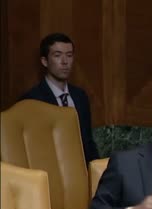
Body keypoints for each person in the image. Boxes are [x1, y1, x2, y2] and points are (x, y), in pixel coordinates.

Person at [19, 33, 99, 164]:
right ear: (44, 61)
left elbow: (88, 142)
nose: (65, 62)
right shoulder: (31, 100)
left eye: (69, 55)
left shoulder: (80, 96)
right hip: (50, 173)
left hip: (83, 172)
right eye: (57, 55)